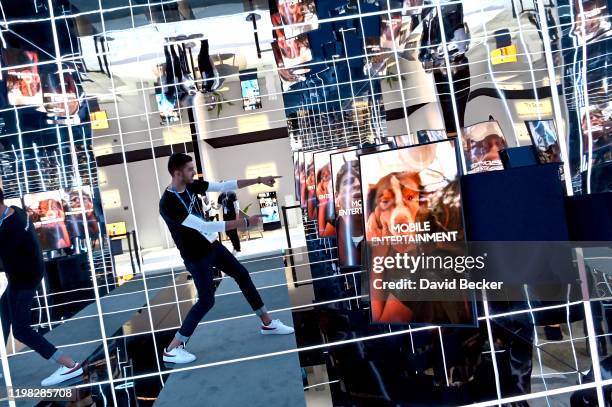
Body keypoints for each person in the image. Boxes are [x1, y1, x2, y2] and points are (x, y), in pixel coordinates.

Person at [159, 153, 294, 364]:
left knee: (242, 274)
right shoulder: (167, 204)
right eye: (189, 169)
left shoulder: (192, 186)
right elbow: (204, 226)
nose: (194, 172)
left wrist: (259, 180)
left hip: (212, 246)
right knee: (206, 300)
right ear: (177, 173)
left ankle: (267, 323)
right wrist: (243, 224)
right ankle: (172, 348)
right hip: (196, 256)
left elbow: (223, 186)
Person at [0, 188, 83, 386]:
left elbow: (4, 259)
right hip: (24, 275)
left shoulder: (13, 226)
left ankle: (69, 364)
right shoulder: (15, 212)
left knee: (21, 330)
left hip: (24, 280)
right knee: (3, 313)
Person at [217, 190, 241, 254]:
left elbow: (237, 207)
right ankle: (235, 247)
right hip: (226, 217)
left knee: (233, 232)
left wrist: (237, 218)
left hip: (232, 216)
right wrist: (212, 206)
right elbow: (218, 207)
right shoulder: (220, 196)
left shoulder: (232, 194)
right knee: (228, 232)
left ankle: (237, 248)